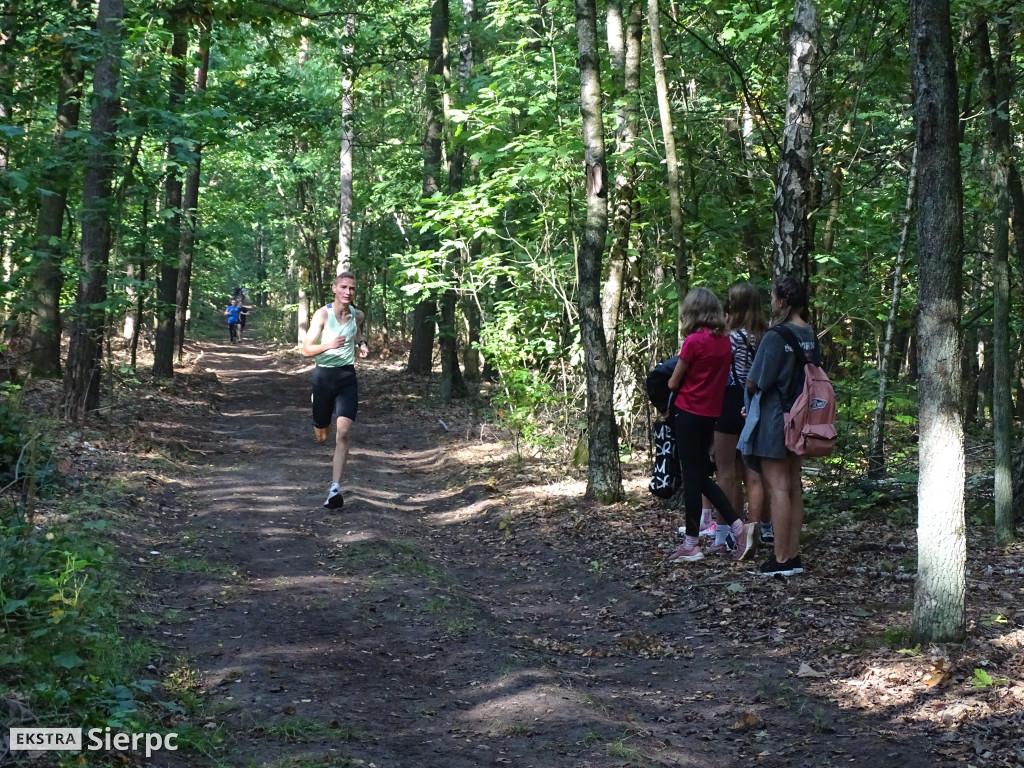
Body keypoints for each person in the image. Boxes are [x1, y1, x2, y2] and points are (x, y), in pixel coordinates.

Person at [666, 287, 756, 563]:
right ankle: (695, 540)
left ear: (691, 311)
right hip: (710, 414)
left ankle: (730, 531)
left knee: (696, 477)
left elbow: (673, 381)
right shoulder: (724, 342)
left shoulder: (693, 341)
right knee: (698, 477)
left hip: (688, 411)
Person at [743, 275, 817, 576]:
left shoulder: (776, 337)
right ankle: (793, 554)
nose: (771, 303)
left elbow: (755, 380)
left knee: (779, 488)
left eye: (773, 297)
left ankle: (781, 559)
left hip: (775, 419)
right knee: (794, 485)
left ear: (783, 301)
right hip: (802, 417)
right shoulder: (809, 334)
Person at [710, 283, 770, 554]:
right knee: (753, 474)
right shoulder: (766, 336)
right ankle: (755, 530)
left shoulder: (730, 338)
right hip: (757, 404)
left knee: (726, 473)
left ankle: (724, 537)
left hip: (731, 400)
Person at [301, 272, 369, 509]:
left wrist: (362, 343)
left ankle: (334, 489)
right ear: (335, 289)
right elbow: (306, 350)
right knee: (322, 436)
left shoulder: (357, 315)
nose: (348, 292)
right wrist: (328, 345)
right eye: (343, 287)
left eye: (352, 288)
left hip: (347, 378)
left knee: (343, 433)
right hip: (323, 377)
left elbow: (357, 331)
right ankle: (317, 404)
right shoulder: (323, 314)